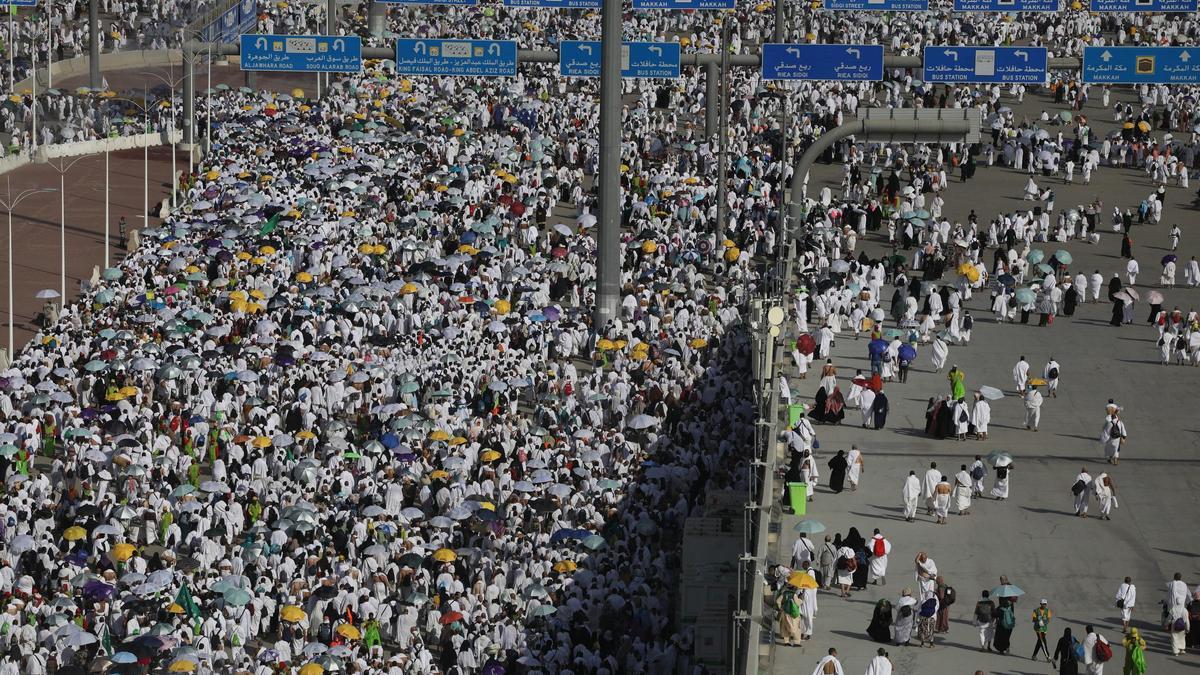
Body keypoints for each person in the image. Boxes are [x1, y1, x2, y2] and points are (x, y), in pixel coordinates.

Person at [1032, 599, 1053, 663]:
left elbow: (1048, 619)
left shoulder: (1048, 611)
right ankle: (1048, 657)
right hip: (1038, 629)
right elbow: (1033, 619)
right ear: (1040, 604)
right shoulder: (1036, 611)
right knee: (1043, 642)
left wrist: (1043, 622)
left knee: (1040, 642)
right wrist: (1037, 620)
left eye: (1044, 604)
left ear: (1046, 604)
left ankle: (1034, 655)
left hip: (1044, 629)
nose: (1043, 605)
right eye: (1042, 604)